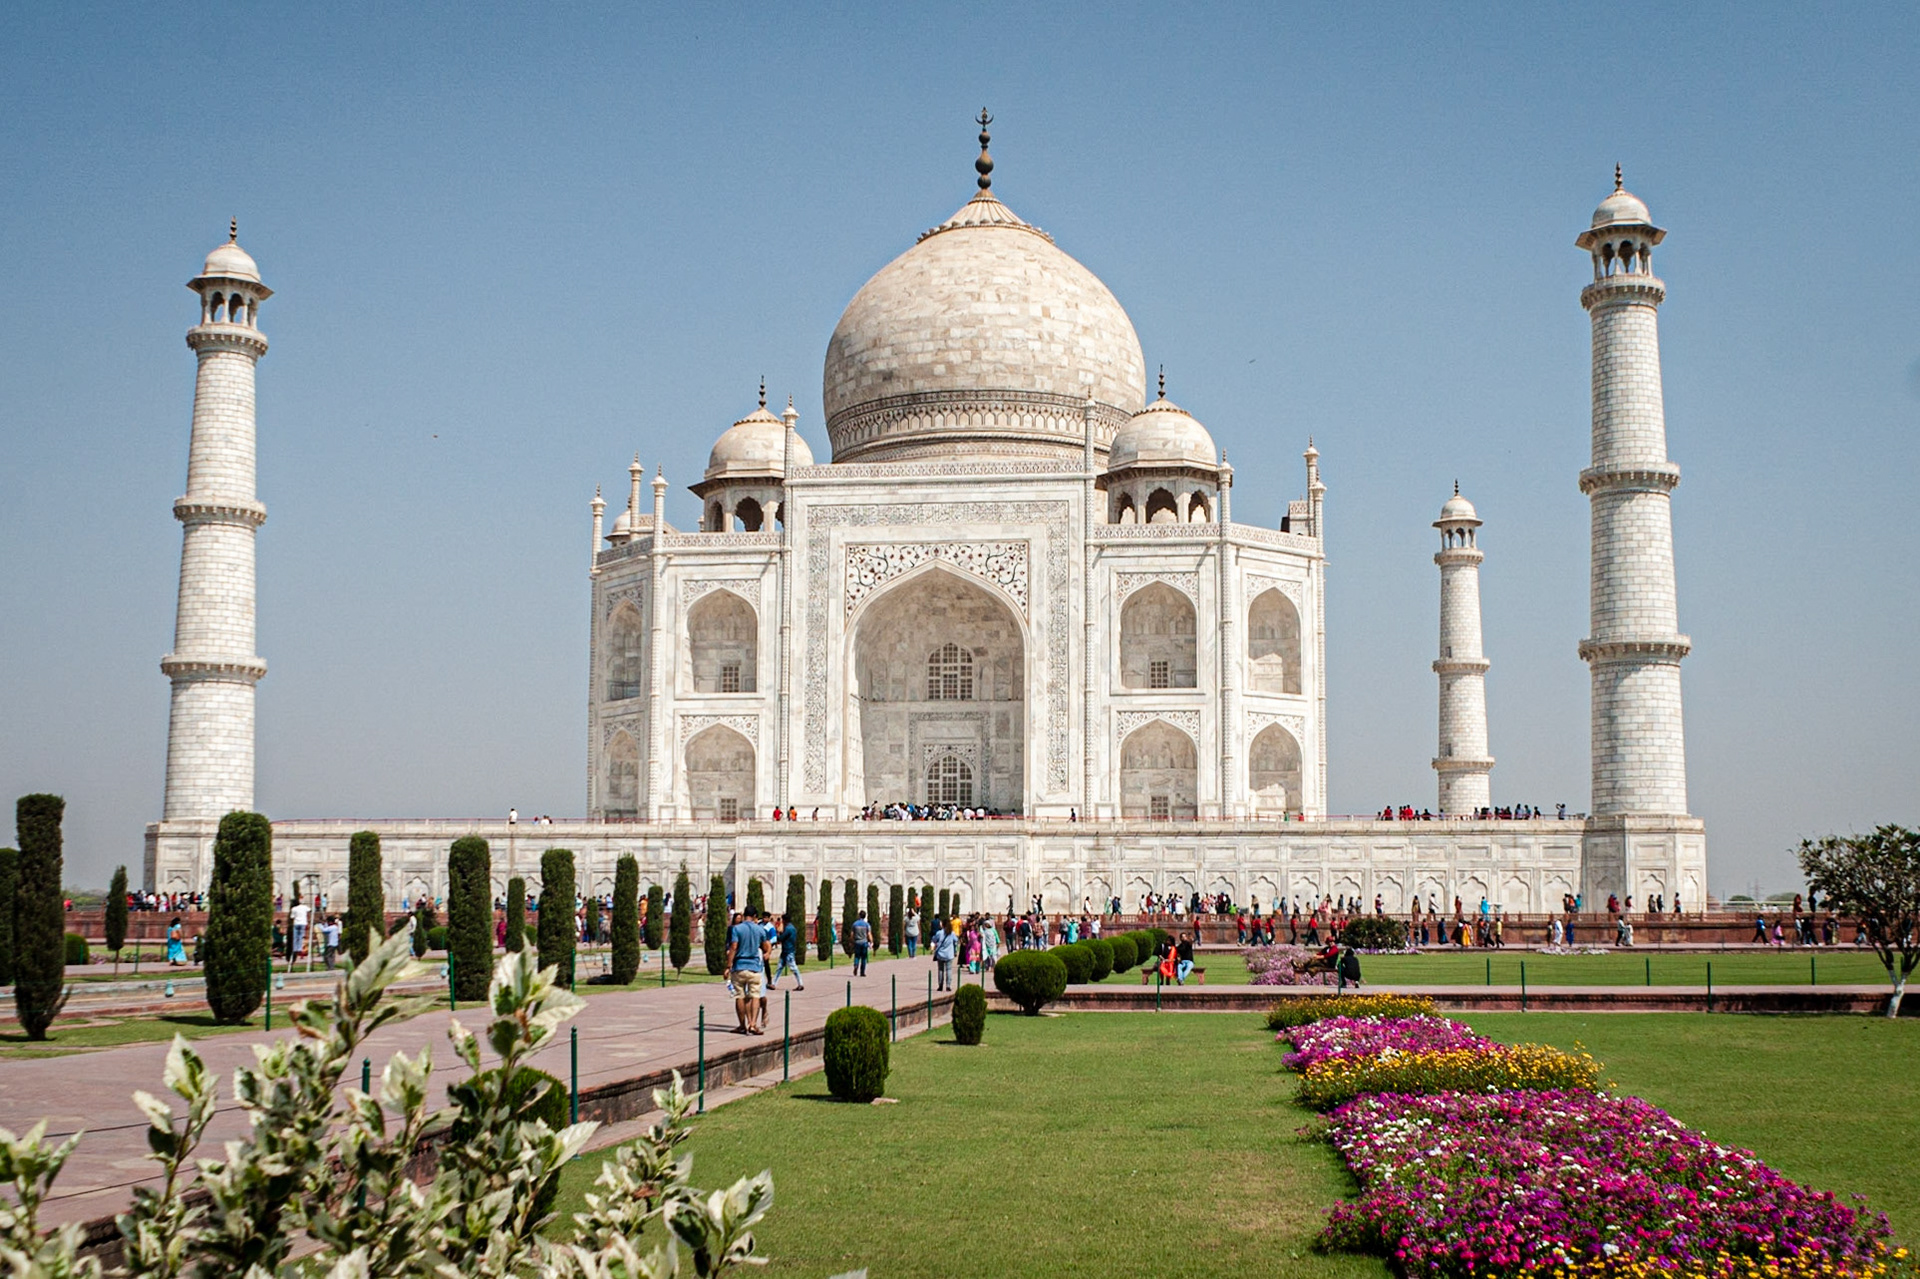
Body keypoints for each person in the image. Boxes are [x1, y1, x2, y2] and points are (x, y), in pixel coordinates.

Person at [724, 909, 771, 1035]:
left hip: (739, 966)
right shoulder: (759, 929)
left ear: (745, 915)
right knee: (755, 996)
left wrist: (728, 966)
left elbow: (733, 947)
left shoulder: (737, 929)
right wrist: (767, 953)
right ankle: (753, 1025)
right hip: (754, 967)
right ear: (755, 916)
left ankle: (742, 1025)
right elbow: (766, 945)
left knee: (739, 996)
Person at [772, 912, 805, 990]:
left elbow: (781, 938)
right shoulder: (792, 928)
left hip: (788, 951)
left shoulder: (788, 929)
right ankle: (773, 983)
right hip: (786, 950)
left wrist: (777, 934)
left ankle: (800, 983)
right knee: (779, 967)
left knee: (793, 968)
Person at [931, 920, 957, 991]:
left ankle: (940, 985)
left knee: (940, 970)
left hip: (940, 954)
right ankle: (948, 985)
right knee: (949, 970)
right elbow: (956, 940)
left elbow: (934, 939)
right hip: (949, 954)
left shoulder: (939, 933)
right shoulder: (952, 933)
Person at [851, 909, 873, 976]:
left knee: (857, 956)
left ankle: (856, 965)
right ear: (865, 916)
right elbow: (869, 934)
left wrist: (852, 941)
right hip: (864, 942)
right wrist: (871, 941)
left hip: (857, 942)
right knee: (864, 957)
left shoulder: (855, 924)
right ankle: (862, 972)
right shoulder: (866, 925)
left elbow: (852, 934)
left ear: (859, 915)